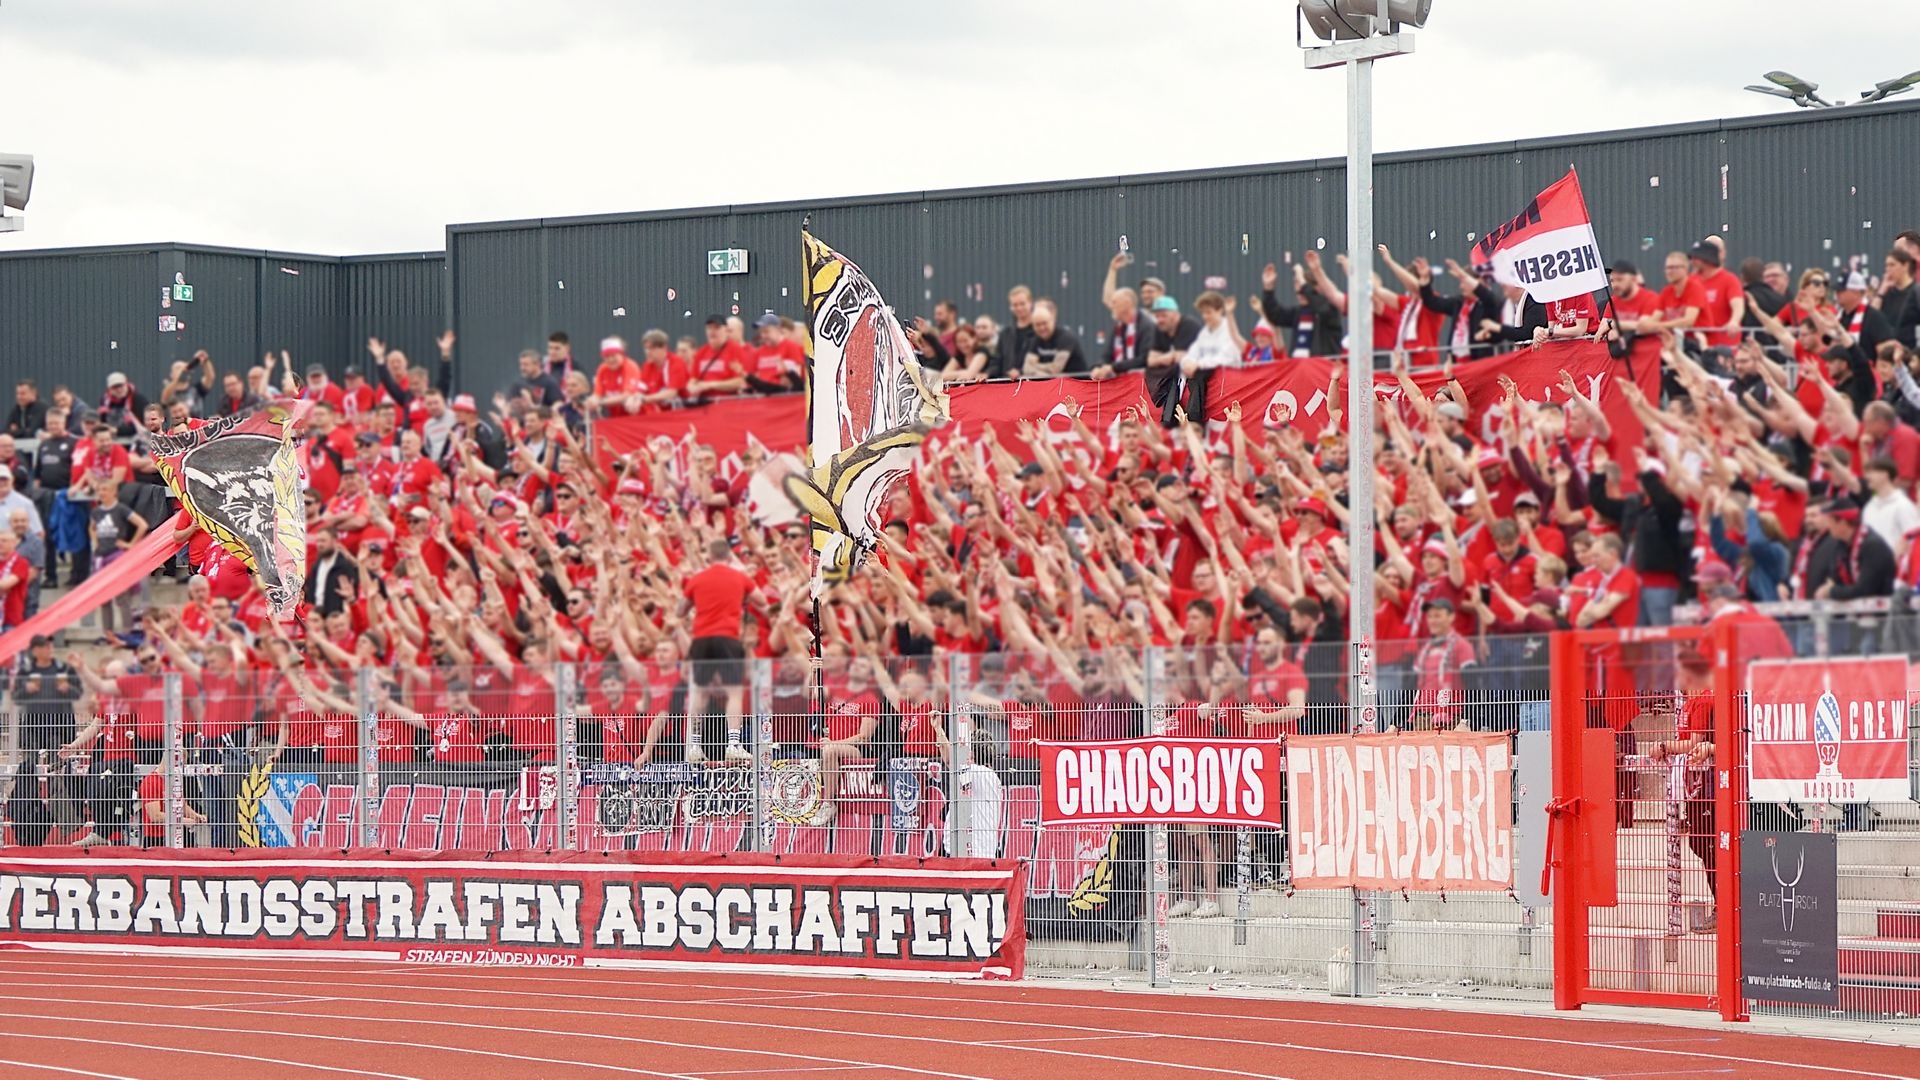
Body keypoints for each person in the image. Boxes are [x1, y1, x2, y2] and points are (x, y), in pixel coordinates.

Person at [680, 539, 766, 763]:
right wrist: (741, 594)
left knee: (700, 693)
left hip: (701, 639)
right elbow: (761, 600)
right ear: (728, 556)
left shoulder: (697, 578)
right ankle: (733, 744)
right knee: (734, 692)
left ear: (709, 557)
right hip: (727, 637)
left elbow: (681, 609)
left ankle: (694, 746)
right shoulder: (739, 577)